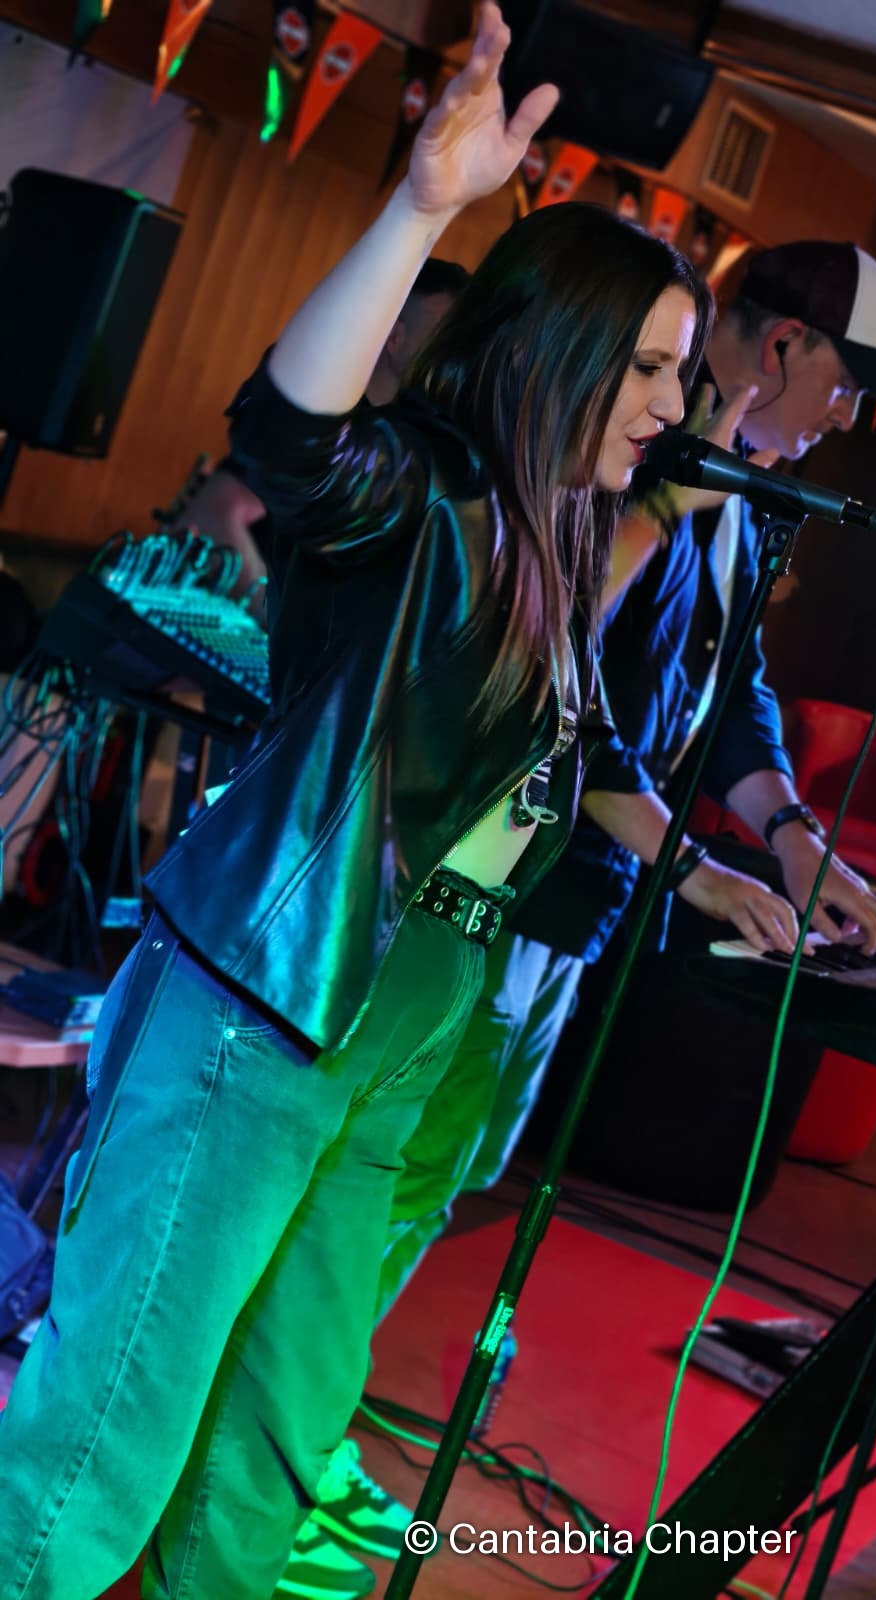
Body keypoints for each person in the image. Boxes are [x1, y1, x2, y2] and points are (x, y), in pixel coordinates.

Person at [0, 10, 720, 1598]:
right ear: (566, 352)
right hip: (275, 984)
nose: (677, 404)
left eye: (685, 371)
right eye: (651, 368)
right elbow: (289, 433)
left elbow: (546, 759)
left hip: (421, 993)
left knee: (274, 1432)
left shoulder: (563, 526)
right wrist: (419, 207)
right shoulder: (430, 485)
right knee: (114, 1425)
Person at [293, 246, 876, 1593]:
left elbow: (733, 696)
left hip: (575, 905)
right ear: (782, 347)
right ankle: (280, 1450)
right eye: (847, 382)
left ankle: (296, 1431)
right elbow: (550, 688)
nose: (848, 416)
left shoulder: (735, 504)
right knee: (377, 1179)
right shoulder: (622, 475)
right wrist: (693, 863)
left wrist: (792, 835)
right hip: (497, 884)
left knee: (432, 1178)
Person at [165, 257, 471, 594]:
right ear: (394, 336)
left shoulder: (408, 439)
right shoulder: (328, 419)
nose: (451, 355)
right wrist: (272, 616)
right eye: (442, 335)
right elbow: (217, 511)